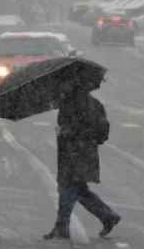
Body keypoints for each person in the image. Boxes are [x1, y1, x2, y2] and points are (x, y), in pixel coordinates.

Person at [44, 77, 121, 240]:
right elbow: (102, 133)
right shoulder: (94, 103)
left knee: (67, 189)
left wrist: (65, 131)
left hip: (73, 154)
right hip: (84, 154)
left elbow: (79, 128)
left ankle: (61, 228)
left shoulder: (72, 104)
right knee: (78, 190)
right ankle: (107, 216)